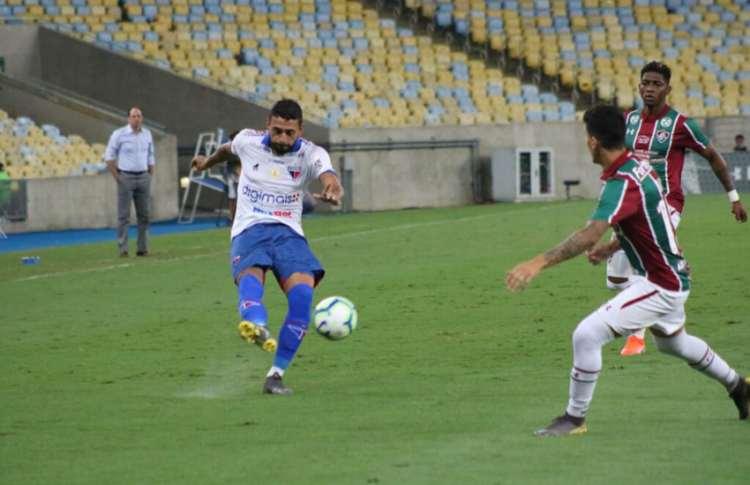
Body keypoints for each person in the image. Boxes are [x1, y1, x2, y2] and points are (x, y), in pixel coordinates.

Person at [506, 104, 749, 436]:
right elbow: (647, 221)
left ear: (593, 141)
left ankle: (574, 419)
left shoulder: (622, 181)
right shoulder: (639, 165)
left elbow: (588, 234)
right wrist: (612, 247)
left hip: (661, 283)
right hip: (673, 273)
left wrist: (537, 263)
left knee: (586, 335)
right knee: (674, 344)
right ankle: (739, 387)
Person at [190, 99, 344, 395]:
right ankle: (256, 325)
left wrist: (334, 189)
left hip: (288, 233)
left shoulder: (312, 153)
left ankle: (275, 375)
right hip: (250, 229)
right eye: (277, 131)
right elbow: (226, 150)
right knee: (252, 275)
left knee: (303, 296)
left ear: (301, 129)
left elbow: (330, 177)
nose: (283, 138)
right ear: (267, 125)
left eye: (289, 132)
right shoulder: (247, 141)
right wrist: (207, 162)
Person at [611, 61, 747, 356]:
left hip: (666, 203)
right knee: (615, 278)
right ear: (639, 86)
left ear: (668, 89)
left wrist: (734, 197)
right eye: (645, 83)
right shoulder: (627, 121)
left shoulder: (681, 125)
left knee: (643, 261)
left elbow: (714, 157)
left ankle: (636, 336)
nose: (649, 88)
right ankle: (677, 265)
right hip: (632, 206)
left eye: (656, 84)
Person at [105, 107, 155, 258]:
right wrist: (118, 177)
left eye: (139, 116)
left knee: (144, 215)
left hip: (143, 176)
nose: (136, 119)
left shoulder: (147, 134)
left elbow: (150, 155)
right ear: (128, 118)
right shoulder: (119, 134)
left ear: (142, 118)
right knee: (124, 215)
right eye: (133, 116)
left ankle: (142, 248)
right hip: (126, 176)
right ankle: (123, 249)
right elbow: (109, 156)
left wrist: (149, 175)